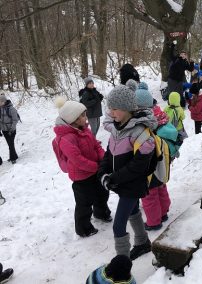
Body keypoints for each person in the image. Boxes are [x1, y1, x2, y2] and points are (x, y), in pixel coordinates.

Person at [98, 79, 157, 260]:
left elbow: (139, 166)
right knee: (132, 211)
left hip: (132, 184)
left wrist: (114, 178)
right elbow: (109, 154)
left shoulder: (140, 132)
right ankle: (142, 242)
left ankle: (122, 271)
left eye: (115, 108)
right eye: (110, 108)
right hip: (121, 182)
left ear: (127, 109)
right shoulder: (117, 128)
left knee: (118, 226)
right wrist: (103, 172)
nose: (110, 112)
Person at [53, 98, 111, 237]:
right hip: (81, 177)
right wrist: (96, 166)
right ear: (74, 119)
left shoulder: (85, 130)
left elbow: (96, 145)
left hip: (95, 170)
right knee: (84, 203)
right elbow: (77, 160)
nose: (86, 118)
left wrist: (103, 159)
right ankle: (83, 228)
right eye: (83, 115)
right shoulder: (66, 138)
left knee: (101, 193)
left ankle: (101, 213)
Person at [134, 82, 172, 231]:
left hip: (148, 162)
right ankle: (163, 213)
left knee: (149, 195)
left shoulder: (141, 122)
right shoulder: (159, 116)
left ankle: (154, 222)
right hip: (161, 160)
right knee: (161, 187)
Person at [0, 94, 19, 164]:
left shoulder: (11, 109)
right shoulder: (0, 109)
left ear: (3, 101)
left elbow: (15, 120)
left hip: (11, 130)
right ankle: (15, 156)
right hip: (4, 130)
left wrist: (12, 129)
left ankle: (13, 158)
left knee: (10, 144)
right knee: (10, 144)